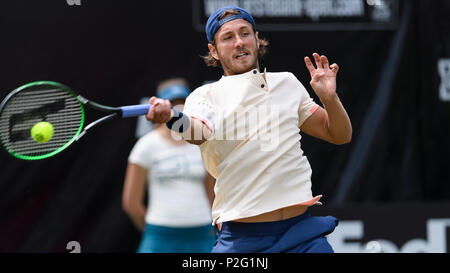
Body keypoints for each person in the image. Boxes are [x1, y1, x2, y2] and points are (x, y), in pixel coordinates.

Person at [145, 6, 352, 253]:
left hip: (302, 235)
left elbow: (339, 135)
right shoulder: (205, 96)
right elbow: (197, 132)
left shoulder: (286, 82)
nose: (239, 42)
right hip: (243, 241)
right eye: (228, 37)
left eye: (245, 33)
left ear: (256, 38)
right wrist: (171, 116)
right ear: (214, 51)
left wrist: (329, 98)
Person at [122, 78, 216, 253]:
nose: (177, 108)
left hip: (203, 235)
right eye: (172, 103)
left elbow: (211, 193)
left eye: (182, 102)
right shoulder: (146, 145)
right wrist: (155, 230)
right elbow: (131, 202)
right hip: (160, 236)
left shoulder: (202, 142)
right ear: (159, 108)